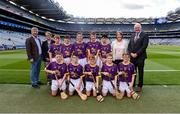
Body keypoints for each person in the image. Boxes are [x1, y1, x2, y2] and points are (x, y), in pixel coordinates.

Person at [128, 22, 149, 92]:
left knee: (140, 71)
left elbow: (144, 46)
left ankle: (140, 85)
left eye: (138, 27)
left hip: (140, 57)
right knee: (133, 71)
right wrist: (130, 53)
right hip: (132, 57)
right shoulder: (132, 35)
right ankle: (132, 84)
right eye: (135, 28)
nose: (137, 29)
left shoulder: (145, 35)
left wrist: (136, 54)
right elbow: (129, 45)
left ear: (140, 28)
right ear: (134, 29)